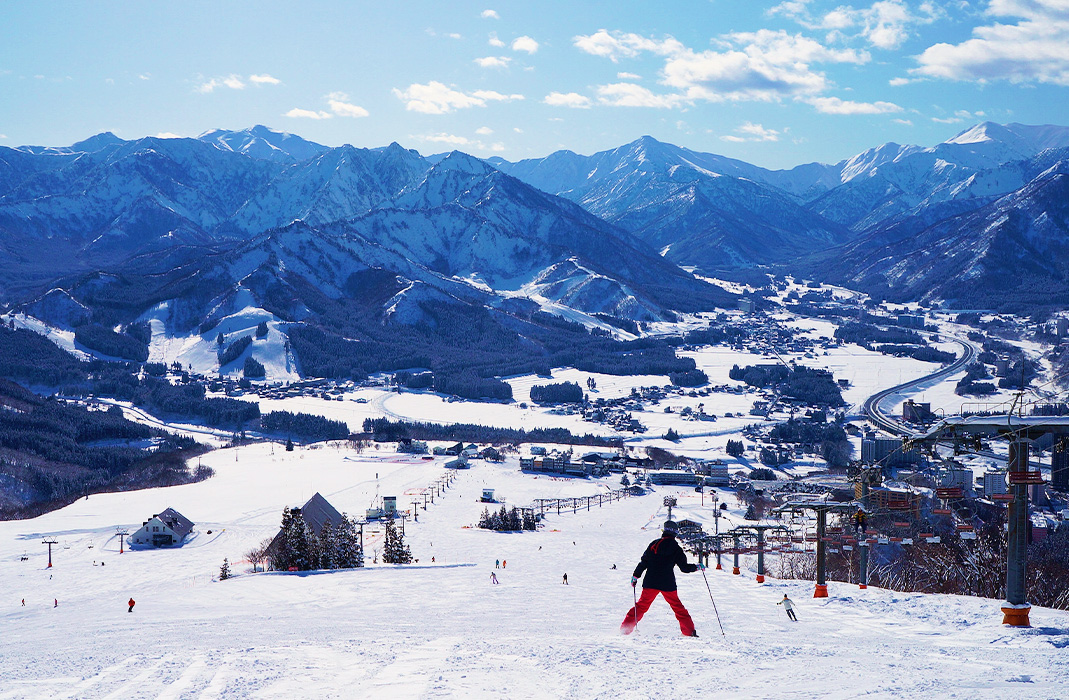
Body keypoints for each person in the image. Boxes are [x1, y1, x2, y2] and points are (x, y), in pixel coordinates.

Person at [620, 520, 700, 637]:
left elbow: (644, 562)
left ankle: (625, 629)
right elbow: (684, 568)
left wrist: (635, 576)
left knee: (641, 606)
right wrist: (697, 567)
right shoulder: (676, 548)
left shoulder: (654, 544)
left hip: (650, 582)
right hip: (667, 583)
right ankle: (689, 632)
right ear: (675, 533)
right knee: (678, 608)